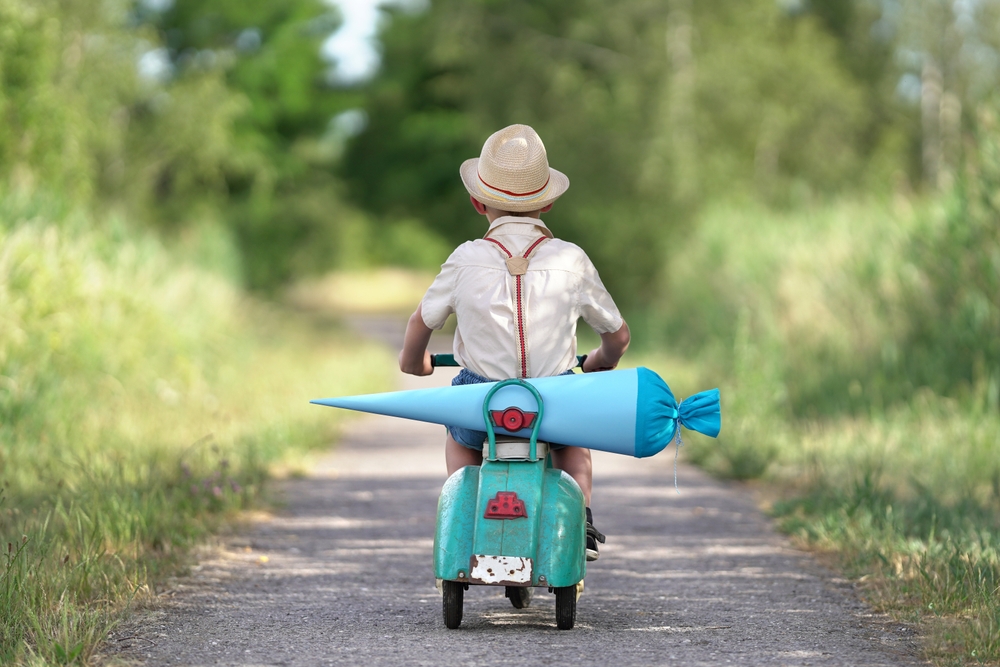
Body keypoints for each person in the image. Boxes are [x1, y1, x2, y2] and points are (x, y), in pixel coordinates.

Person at [398, 124, 630, 561]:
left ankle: (465, 516)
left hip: (481, 400)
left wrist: (415, 363)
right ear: (549, 201)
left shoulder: (465, 257)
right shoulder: (570, 259)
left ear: (476, 201)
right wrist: (602, 360)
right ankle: (581, 520)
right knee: (574, 447)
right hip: (554, 400)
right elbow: (618, 334)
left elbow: (420, 321)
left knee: (460, 437)